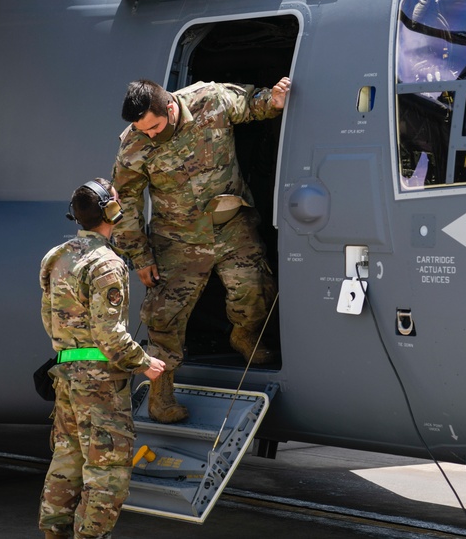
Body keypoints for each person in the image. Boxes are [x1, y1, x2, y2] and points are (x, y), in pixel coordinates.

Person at [111, 76, 290, 423]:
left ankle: (245, 336)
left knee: (256, 292)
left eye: (154, 128)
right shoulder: (134, 144)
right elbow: (126, 202)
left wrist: (275, 100)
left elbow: (251, 105)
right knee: (164, 318)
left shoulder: (212, 99)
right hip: (178, 239)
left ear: (171, 107)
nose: (148, 135)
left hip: (231, 225)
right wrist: (141, 257)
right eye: (141, 129)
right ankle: (161, 398)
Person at [38, 178, 166, 539]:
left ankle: (54, 533)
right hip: (99, 383)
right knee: (107, 470)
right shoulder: (107, 264)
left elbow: (50, 319)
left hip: (65, 371)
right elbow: (110, 335)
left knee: (66, 460)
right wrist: (145, 363)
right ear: (112, 211)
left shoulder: (55, 257)